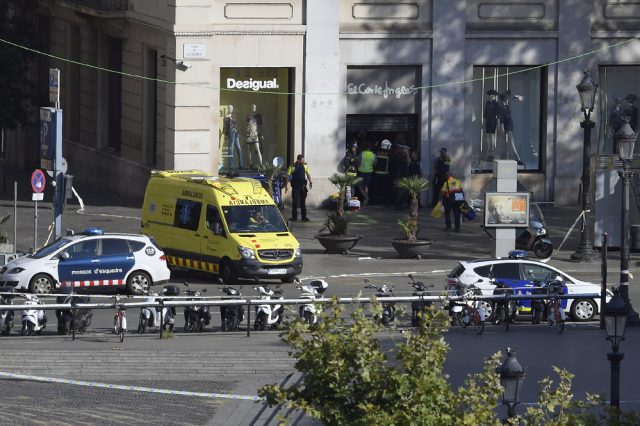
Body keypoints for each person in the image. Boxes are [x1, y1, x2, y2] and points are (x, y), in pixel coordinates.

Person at [286, 154, 312, 221]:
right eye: (302, 160)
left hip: (302, 186)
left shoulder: (304, 166)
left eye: (304, 160)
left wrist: (310, 181)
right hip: (295, 186)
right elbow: (288, 175)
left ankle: (304, 217)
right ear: (298, 160)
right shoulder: (292, 167)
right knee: (294, 202)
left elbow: (308, 174)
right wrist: (287, 184)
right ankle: (294, 217)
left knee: (303, 202)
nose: (303, 161)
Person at [371, 139, 391, 205]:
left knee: (376, 188)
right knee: (383, 189)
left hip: (376, 173)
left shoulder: (377, 152)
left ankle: (373, 201)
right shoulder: (389, 153)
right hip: (385, 174)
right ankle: (382, 201)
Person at [394, 144, 411, 210]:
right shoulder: (400, 157)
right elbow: (409, 160)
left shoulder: (403, 157)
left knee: (405, 191)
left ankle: (403, 204)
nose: (408, 151)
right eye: (407, 150)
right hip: (401, 175)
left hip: (405, 175)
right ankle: (398, 205)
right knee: (401, 191)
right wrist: (407, 154)